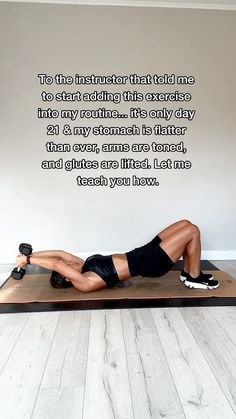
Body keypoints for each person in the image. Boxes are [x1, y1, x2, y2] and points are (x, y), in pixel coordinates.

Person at [16, 219, 219, 292]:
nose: (69, 261)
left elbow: (59, 254)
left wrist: (31, 254)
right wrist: (27, 261)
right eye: (67, 266)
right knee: (192, 231)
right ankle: (194, 276)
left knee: (185, 223)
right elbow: (58, 264)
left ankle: (186, 272)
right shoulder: (85, 282)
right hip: (152, 263)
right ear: (68, 276)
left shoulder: (85, 265)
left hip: (144, 251)